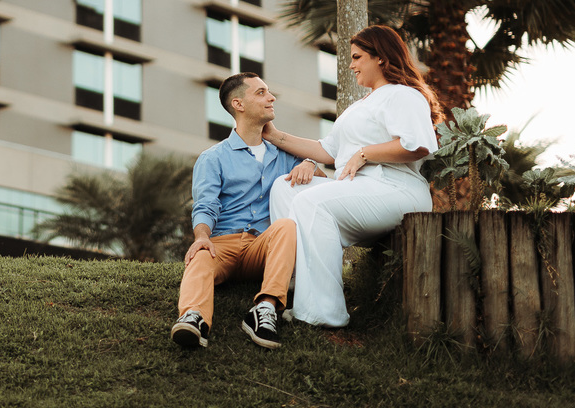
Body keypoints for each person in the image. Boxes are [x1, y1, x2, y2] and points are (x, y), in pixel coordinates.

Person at [264, 25, 442, 328]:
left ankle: (323, 313)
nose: (351, 65)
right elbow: (328, 151)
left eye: (357, 57)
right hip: (359, 190)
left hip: (397, 189)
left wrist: (365, 153)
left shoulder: (404, 95)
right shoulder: (358, 107)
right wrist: (274, 135)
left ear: (381, 57)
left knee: (312, 203)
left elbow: (417, 146)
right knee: (286, 187)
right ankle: (293, 283)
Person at [171, 72, 325, 350]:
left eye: (269, 92)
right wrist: (202, 237)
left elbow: (324, 187)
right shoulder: (213, 158)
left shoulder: (286, 155)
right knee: (201, 253)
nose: (271, 98)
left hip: (263, 247)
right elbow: (205, 204)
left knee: (286, 226)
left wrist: (310, 164)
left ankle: (265, 308)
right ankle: (194, 318)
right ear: (238, 104)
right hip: (222, 245)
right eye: (261, 92)